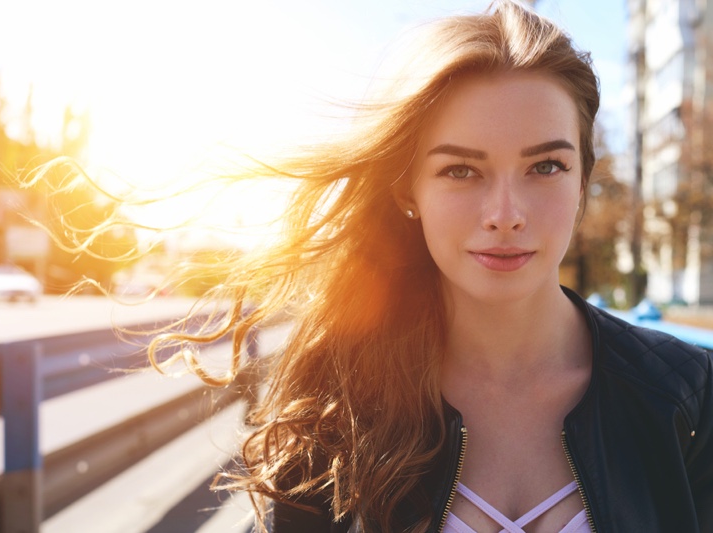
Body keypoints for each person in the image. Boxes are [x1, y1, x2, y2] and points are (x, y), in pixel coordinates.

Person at [75, 1, 712, 531]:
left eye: (545, 166)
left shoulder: (687, 394)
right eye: (461, 170)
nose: (506, 213)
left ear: (583, 180)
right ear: (408, 190)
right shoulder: (330, 406)